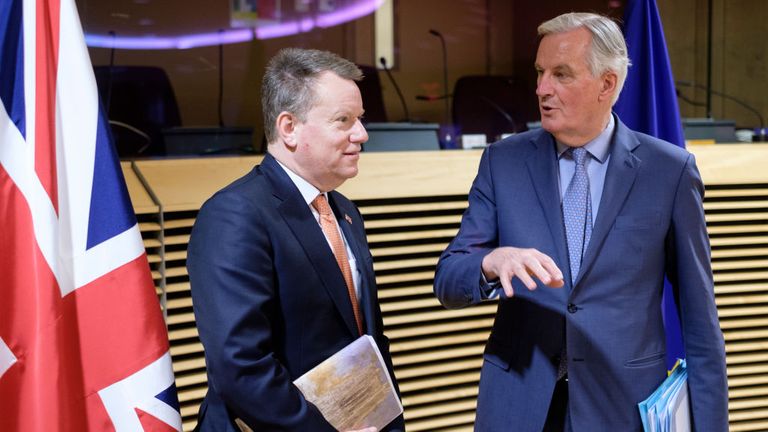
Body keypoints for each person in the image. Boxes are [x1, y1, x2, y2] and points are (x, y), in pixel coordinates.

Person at [433, 12, 728, 432]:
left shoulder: (669, 171)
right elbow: (448, 278)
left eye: (561, 74)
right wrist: (490, 262)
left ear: (607, 84)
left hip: (623, 406)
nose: (542, 89)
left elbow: (700, 320)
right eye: (539, 73)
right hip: (519, 404)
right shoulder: (504, 161)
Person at [187, 48, 405, 432]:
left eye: (360, 120)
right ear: (289, 128)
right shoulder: (235, 215)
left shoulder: (344, 211)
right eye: (344, 120)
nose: (362, 134)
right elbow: (241, 367)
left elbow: (366, 341)